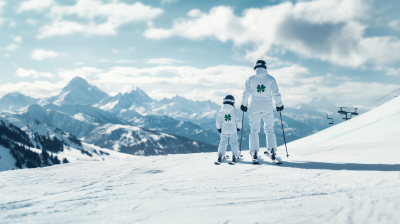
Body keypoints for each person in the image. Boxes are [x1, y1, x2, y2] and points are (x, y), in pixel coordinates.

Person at [240, 60, 284, 161]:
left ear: (255, 67)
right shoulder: (271, 79)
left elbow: (246, 93)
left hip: (254, 107)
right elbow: (276, 93)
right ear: (265, 67)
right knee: (269, 129)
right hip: (268, 107)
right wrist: (279, 105)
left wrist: (243, 104)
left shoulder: (250, 79)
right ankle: (272, 151)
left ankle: (254, 152)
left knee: (254, 130)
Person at [216, 95, 243, 163]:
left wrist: (219, 128)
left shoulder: (221, 111)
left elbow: (218, 121)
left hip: (224, 130)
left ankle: (220, 156)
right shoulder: (235, 111)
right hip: (233, 130)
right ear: (232, 102)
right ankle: (235, 156)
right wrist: (239, 128)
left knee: (223, 142)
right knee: (233, 143)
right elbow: (239, 121)